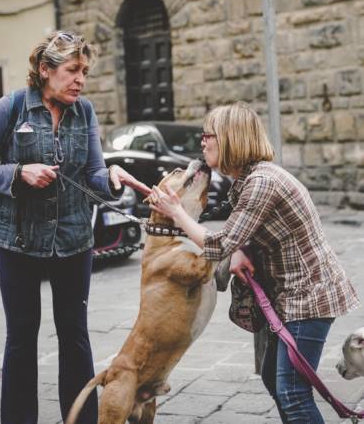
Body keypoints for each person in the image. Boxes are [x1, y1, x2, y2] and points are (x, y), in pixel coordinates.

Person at [0, 30, 149, 424]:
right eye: (72, 70)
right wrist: (18, 172)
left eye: (85, 71)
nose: (81, 79)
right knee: (21, 338)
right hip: (15, 240)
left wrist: (112, 177)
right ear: (45, 70)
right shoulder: (11, 107)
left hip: (73, 239)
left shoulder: (85, 112)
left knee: (75, 337)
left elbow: (94, 172)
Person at [148, 101, 360, 423]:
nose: (202, 141)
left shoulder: (262, 182)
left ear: (232, 138)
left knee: (292, 393)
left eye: (209, 135)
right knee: (274, 379)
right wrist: (242, 247)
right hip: (291, 294)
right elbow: (245, 232)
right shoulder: (250, 180)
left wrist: (176, 213)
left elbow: (218, 244)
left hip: (308, 298)